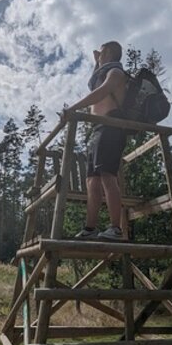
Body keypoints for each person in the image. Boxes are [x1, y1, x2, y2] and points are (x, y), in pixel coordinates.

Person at [64, 41, 128, 242]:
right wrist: (96, 62)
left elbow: (99, 92)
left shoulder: (117, 73)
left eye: (101, 53)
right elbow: (94, 83)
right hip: (98, 129)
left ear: (107, 52)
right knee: (92, 180)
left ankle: (116, 229)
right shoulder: (103, 71)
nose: (98, 56)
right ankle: (90, 228)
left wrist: (73, 108)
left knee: (108, 176)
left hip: (111, 128)